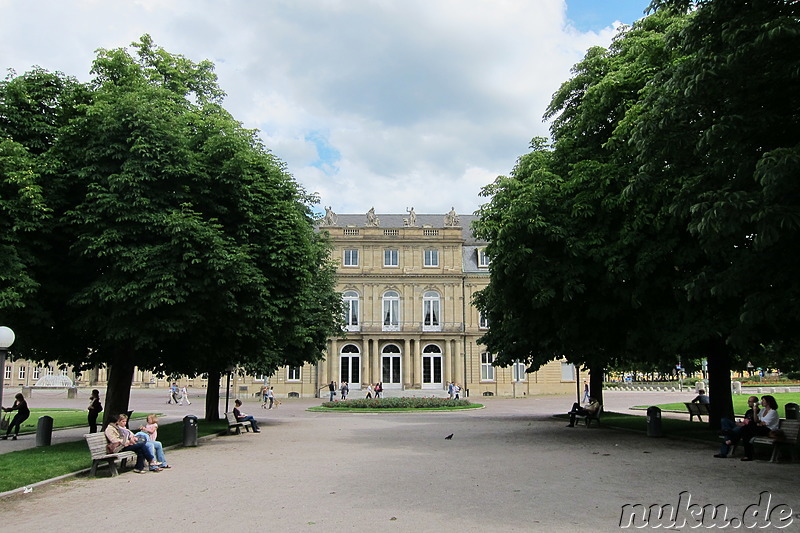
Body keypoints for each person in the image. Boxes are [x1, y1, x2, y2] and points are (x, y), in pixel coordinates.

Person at [740, 395, 780, 461]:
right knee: (745, 432)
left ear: (768, 402)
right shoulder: (763, 410)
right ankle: (748, 455)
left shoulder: (773, 412)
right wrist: (755, 411)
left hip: (769, 430)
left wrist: (759, 423)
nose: (761, 402)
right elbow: (756, 420)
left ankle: (748, 455)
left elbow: (764, 423)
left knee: (746, 429)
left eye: (763, 400)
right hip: (761, 428)